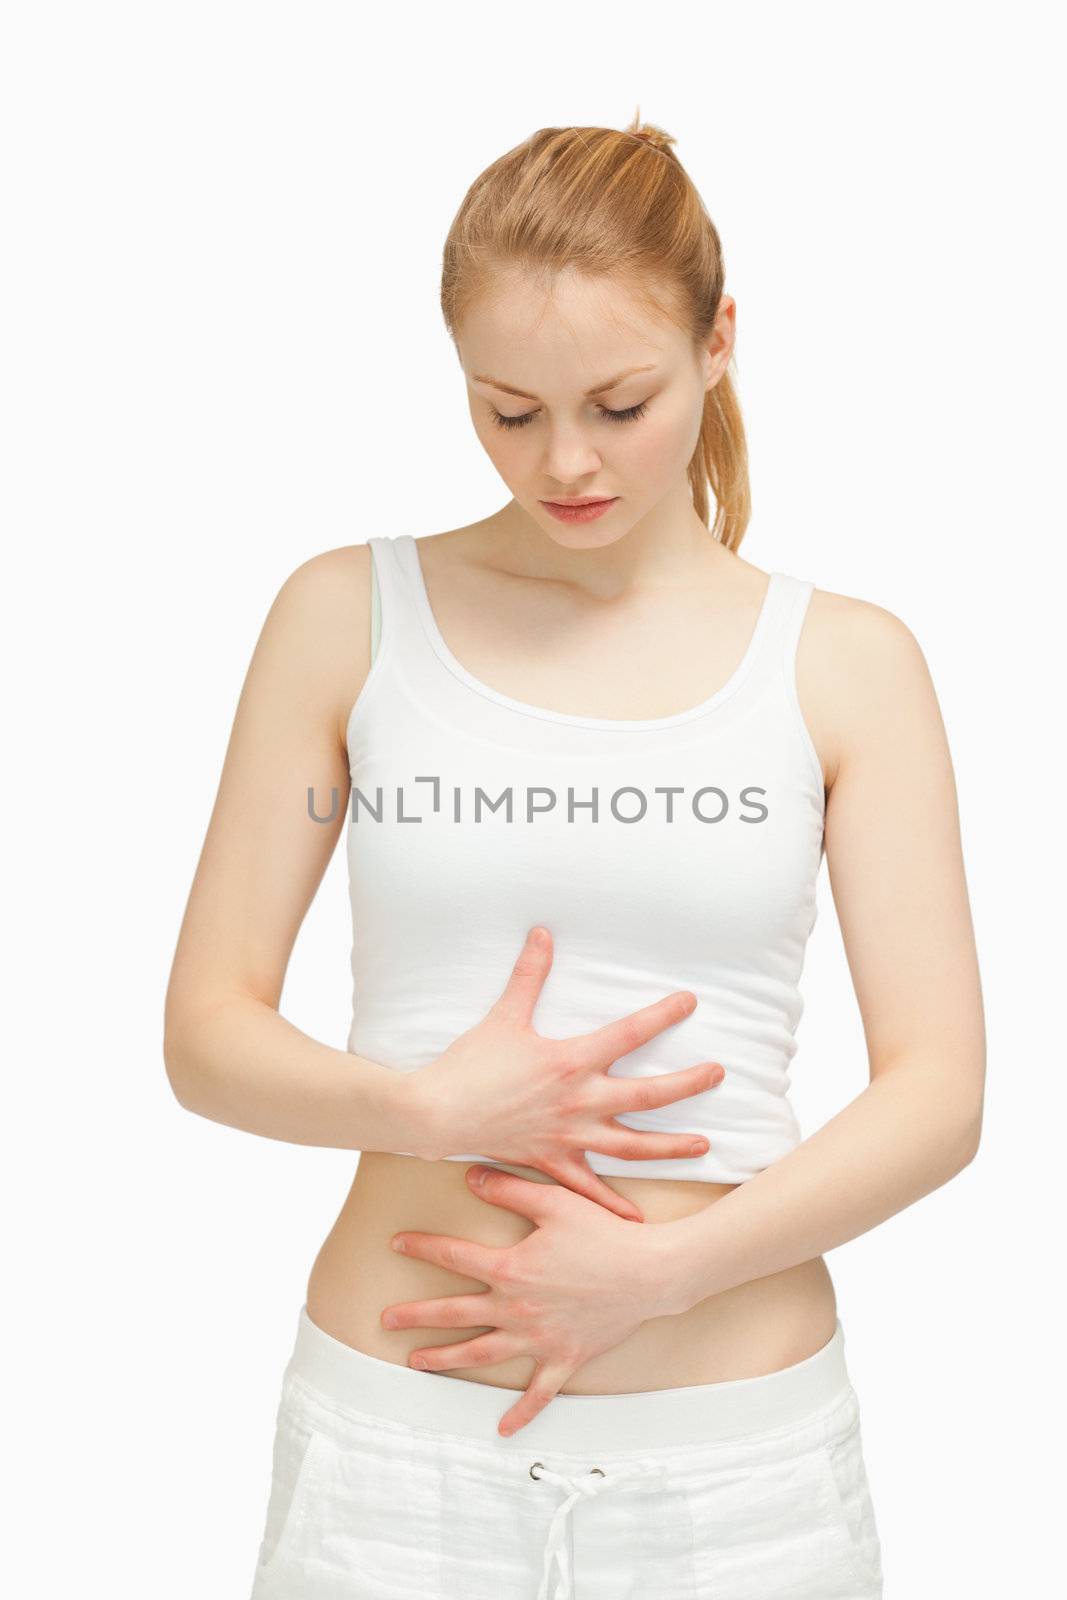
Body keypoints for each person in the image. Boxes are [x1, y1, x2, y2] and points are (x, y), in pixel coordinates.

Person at [163, 112, 985, 1600]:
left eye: (619, 403)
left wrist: (660, 1272)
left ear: (719, 340)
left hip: (743, 1482)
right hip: (393, 1471)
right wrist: (416, 1103)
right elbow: (206, 1033)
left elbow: (939, 1093)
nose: (565, 461)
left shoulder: (848, 662)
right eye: (507, 409)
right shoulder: (344, 615)